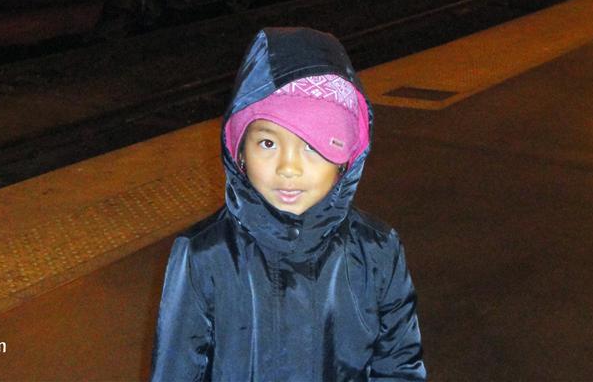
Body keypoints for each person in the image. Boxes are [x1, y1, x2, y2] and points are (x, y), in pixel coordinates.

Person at [151, 27, 425, 381]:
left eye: (312, 145)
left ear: (346, 157)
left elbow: (399, 365)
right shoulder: (203, 255)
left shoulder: (377, 250)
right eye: (267, 143)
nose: (289, 168)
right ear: (239, 152)